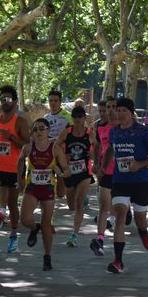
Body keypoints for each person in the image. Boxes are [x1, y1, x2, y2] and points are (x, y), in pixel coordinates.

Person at [102, 97, 148, 273]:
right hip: (120, 180)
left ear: (131, 113)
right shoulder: (114, 132)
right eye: (117, 111)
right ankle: (118, 261)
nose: (119, 114)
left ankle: (143, 232)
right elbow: (110, 150)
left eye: (123, 111)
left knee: (139, 219)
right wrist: (104, 167)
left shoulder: (143, 131)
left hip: (141, 181)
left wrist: (140, 164)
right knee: (120, 215)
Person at [18, 118, 71, 271]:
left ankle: (47, 257)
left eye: (42, 128)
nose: (39, 132)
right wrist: (20, 180)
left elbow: (67, 170)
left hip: (48, 190)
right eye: (35, 129)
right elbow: (20, 161)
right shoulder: (28, 148)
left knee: (47, 225)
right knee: (24, 219)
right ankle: (34, 228)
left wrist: (60, 172)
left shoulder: (55, 149)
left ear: (48, 130)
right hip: (32, 188)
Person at [0, 85, 30, 253]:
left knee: (12, 204)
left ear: (15, 102)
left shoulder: (20, 122)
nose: (5, 102)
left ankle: (13, 234)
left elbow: (28, 145)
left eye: (8, 99)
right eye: (2, 99)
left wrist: (11, 137)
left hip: (14, 169)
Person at [57, 105, 96, 247]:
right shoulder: (66, 132)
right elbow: (55, 147)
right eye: (75, 117)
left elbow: (97, 147)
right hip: (69, 172)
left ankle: (74, 234)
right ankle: (82, 197)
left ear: (84, 119)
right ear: (72, 118)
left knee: (79, 203)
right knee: (71, 206)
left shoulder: (89, 133)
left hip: (84, 172)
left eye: (80, 117)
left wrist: (93, 157)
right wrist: (63, 157)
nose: (78, 120)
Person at [90, 98, 118, 256]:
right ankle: (100, 240)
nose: (111, 110)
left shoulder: (125, 125)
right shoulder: (99, 126)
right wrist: (96, 164)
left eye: (114, 107)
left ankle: (123, 215)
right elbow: (98, 146)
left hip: (123, 172)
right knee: (103, 205)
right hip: (106, 171)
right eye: (108, 107)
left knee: (118, 205)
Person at [44, 90, 72, 198]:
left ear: (60, 102)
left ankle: (80, 196)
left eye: (56, 101)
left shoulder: (67, 116)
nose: (53, 103)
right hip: (49, 154)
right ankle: (48, 202)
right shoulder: (45, 118)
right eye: (51, 101)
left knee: (61, 192)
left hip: (62, 153)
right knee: (46, 182)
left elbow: (73, 135)